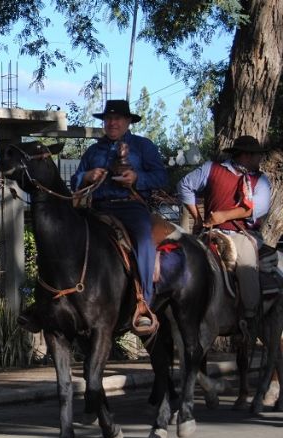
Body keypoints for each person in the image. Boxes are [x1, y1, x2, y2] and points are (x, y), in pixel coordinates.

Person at [71, 100, 169, 329]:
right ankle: (63, 299)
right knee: (68, 240)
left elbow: (161, 177)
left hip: (131, 208)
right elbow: (75, 180)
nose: (112, 123)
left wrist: (137, 178)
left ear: (127, 122)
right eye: (108, 119)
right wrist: (86, 176)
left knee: (144, 242)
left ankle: (144, 303)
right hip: (97, 209)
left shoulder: (143, 146)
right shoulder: (93, 151)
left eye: (117, 119)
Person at [177, 135, 271, 329]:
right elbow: (184, 185)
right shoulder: (211, 168)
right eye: (257, 155)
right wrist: (198, 218)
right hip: (210, 232)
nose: (259, 159)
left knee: (246, 265)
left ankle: (250, 314)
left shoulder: (260, 180)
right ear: (246, 155)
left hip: (241, 234)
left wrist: (223, 216)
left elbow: (256, 208)